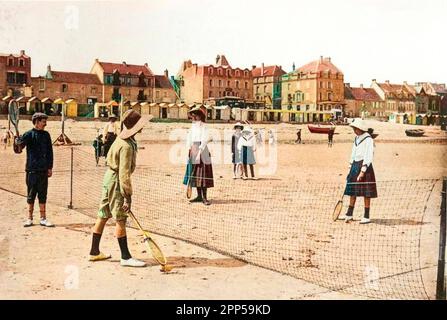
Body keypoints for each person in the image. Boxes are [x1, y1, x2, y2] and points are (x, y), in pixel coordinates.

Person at [89, 109, 147, 267]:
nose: (142, 127)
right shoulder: (126, 146)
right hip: (116, 181)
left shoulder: (122, 139)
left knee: (103, 214)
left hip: (108, 178)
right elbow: (124, 174)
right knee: (120, 217)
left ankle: (94, 252)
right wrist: (128, 196)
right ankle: (125, 257)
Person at [14, 113, 54, 227]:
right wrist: (17, 142)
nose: (45, 123)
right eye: (43, 121)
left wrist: (50, 167)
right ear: (36, 121)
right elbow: (18, 150)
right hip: (31, 170)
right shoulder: (28, 134)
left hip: (43, 170)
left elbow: (50, 153)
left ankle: (43, 218)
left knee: (43, 194)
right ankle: (29, 218)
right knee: (31, 195)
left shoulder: (46, 135)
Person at [342, 118, 378, 224]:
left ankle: (366, 216)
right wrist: (350, 169)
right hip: (355, 165)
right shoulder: (356, 139)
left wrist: (362, 171)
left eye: (355, 128)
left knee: (366, 193)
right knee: (352, 191)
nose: (354, 130)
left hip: (365, 167)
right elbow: (353, 154)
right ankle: (349, 214)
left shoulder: (369, 140)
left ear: (360, 128)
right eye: (353, 128)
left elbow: (368, 156)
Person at [183, 105, 214, 205]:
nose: (194, 117)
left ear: (200, 116)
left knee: (203, 174)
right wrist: (189, 149)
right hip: (194, 149)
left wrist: (199, 151)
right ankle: (199, 196)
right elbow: (189, 139)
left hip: (203, 150)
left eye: (196, 115)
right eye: (193, 116)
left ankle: (205, 197)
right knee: (195, 174)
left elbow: (205, 139)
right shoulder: (192, 126)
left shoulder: (204, 126)